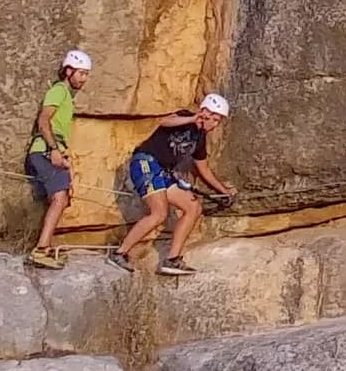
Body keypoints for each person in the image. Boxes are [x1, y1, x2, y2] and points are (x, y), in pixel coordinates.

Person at [108, 94, 230, 277]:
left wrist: (224, 191)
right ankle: (119, 253)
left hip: (163, 172)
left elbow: (203, 169)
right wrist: (192, 118)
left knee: (193, 207)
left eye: (217, 120)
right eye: (212, 118)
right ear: (204, 111)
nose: (213, 124)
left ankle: (172, 259)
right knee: (159, 213)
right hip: (146, 162)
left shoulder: (199, 139)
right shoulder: (184, 117)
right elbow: (164, 121)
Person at [20, 48, 92, 268]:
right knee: (59, 198)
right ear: (68, 71)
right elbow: (44, 121)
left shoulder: (66, 96)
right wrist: (54, 150)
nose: (84, 79)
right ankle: (41, 250)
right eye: (81, 73)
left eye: (86, 74)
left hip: (53, 149)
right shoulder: (59, 90)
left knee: (61, 198)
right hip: (45, 149)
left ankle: (46, 247)